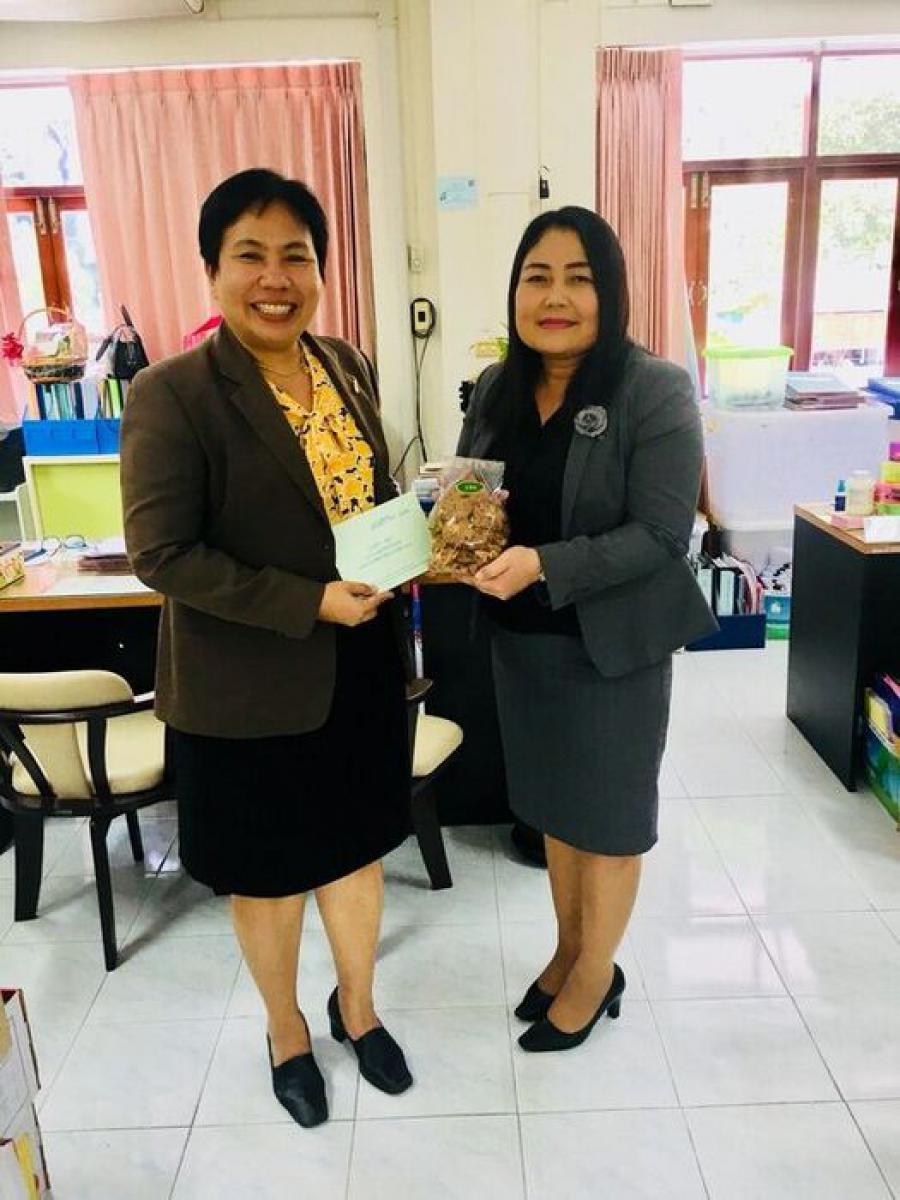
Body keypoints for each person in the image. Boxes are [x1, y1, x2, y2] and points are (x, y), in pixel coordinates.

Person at [121, 169, 413, 1126]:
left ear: (322, 270)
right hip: (244, 683)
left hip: (361, 662)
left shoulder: (347, 364)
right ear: (212, 271)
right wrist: (308, 601)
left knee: (358, 851)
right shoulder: (172, 393)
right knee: (270, 873)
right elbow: (162, 554)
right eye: (250, 255)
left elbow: (360, 502)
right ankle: (286, 1030)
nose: (276, 277)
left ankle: (357, 1010)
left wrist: (419, 539)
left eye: (298, 255)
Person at [459, 206, 716, 1053]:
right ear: (515, 293)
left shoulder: (653, 389)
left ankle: (597, 975)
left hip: (612, 650)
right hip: (521, 645)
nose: (556, 297)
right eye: (537, 277)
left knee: (605, 823)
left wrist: (543, 564)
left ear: (611, 291)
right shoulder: (496, 387)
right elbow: (468, 494)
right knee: (555, 815)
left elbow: (662, 534)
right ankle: (571, 950)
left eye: (579, 278)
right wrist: (441, 536)